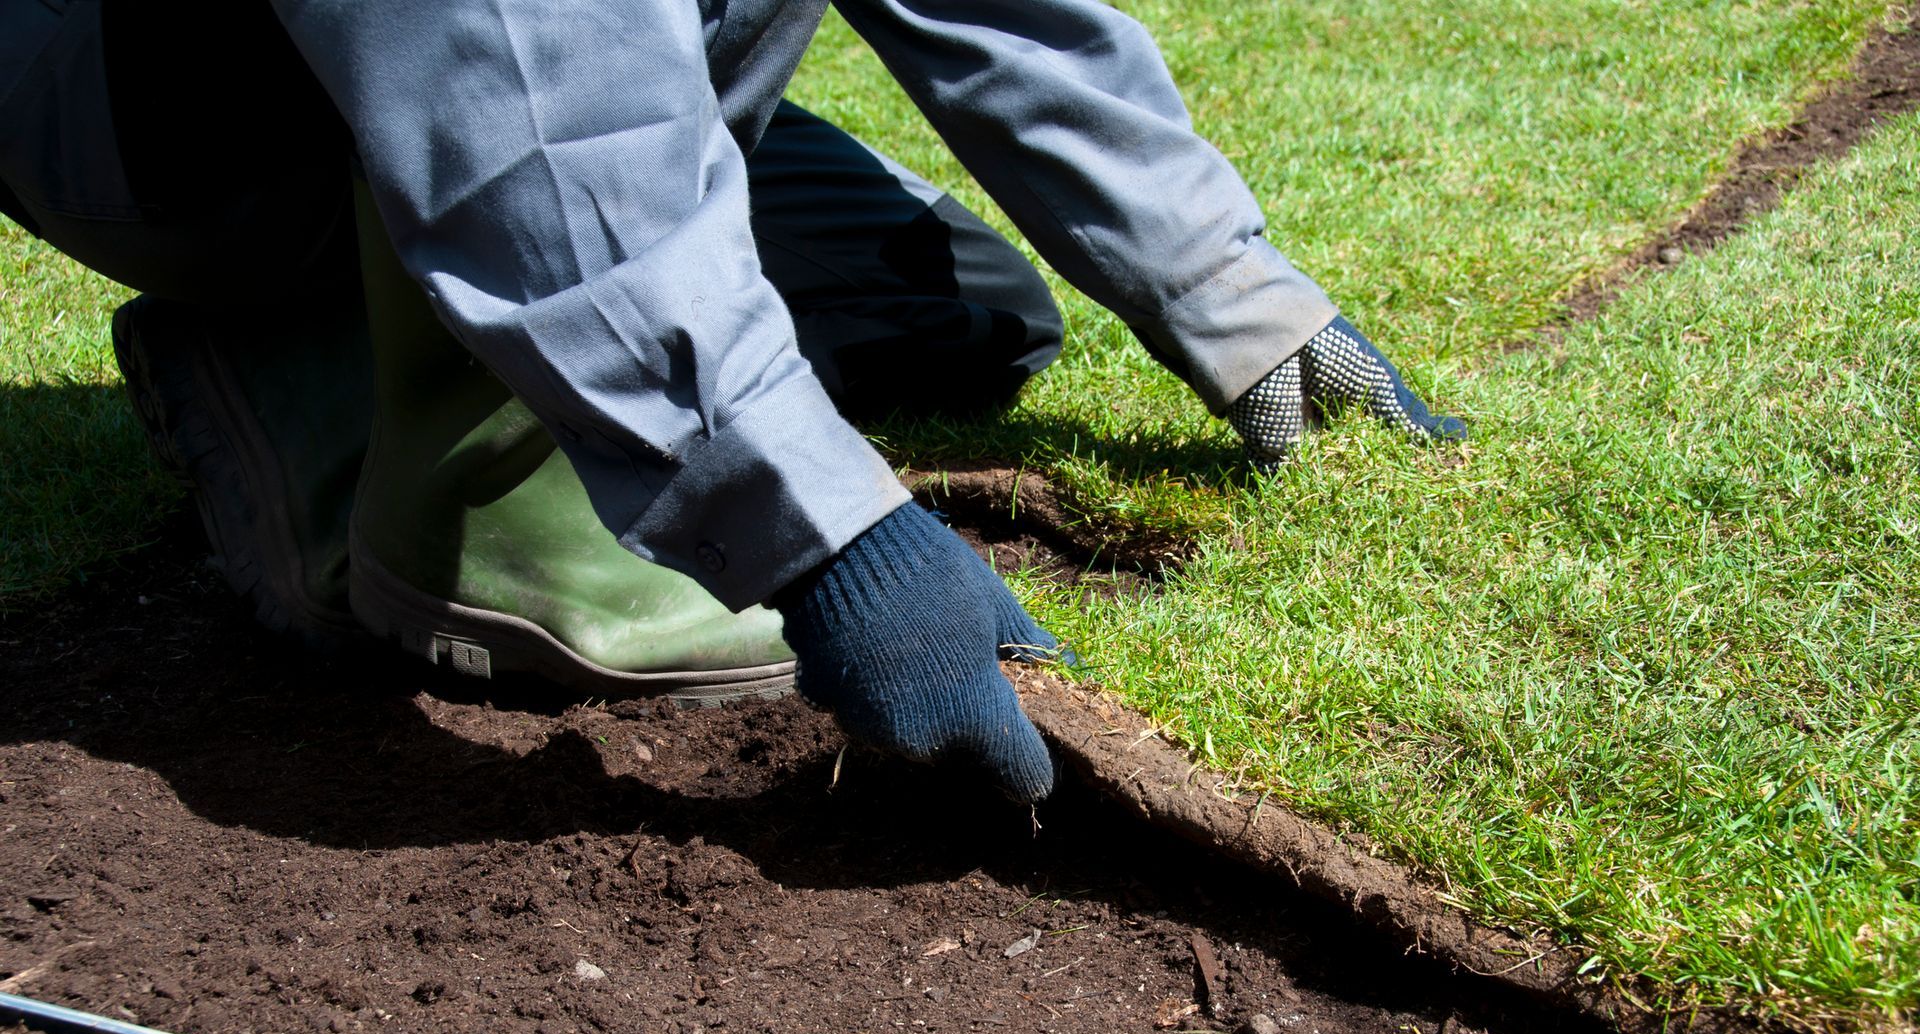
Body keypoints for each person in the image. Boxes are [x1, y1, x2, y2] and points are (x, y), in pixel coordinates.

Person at [0, 0, 1465, 804]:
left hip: (592, 54)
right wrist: (835, 545)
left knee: (957, 309)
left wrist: (1233, 292)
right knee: (538, 244)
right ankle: (331, 403)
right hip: (214, 124)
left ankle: (477, 313)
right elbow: (508, 69)